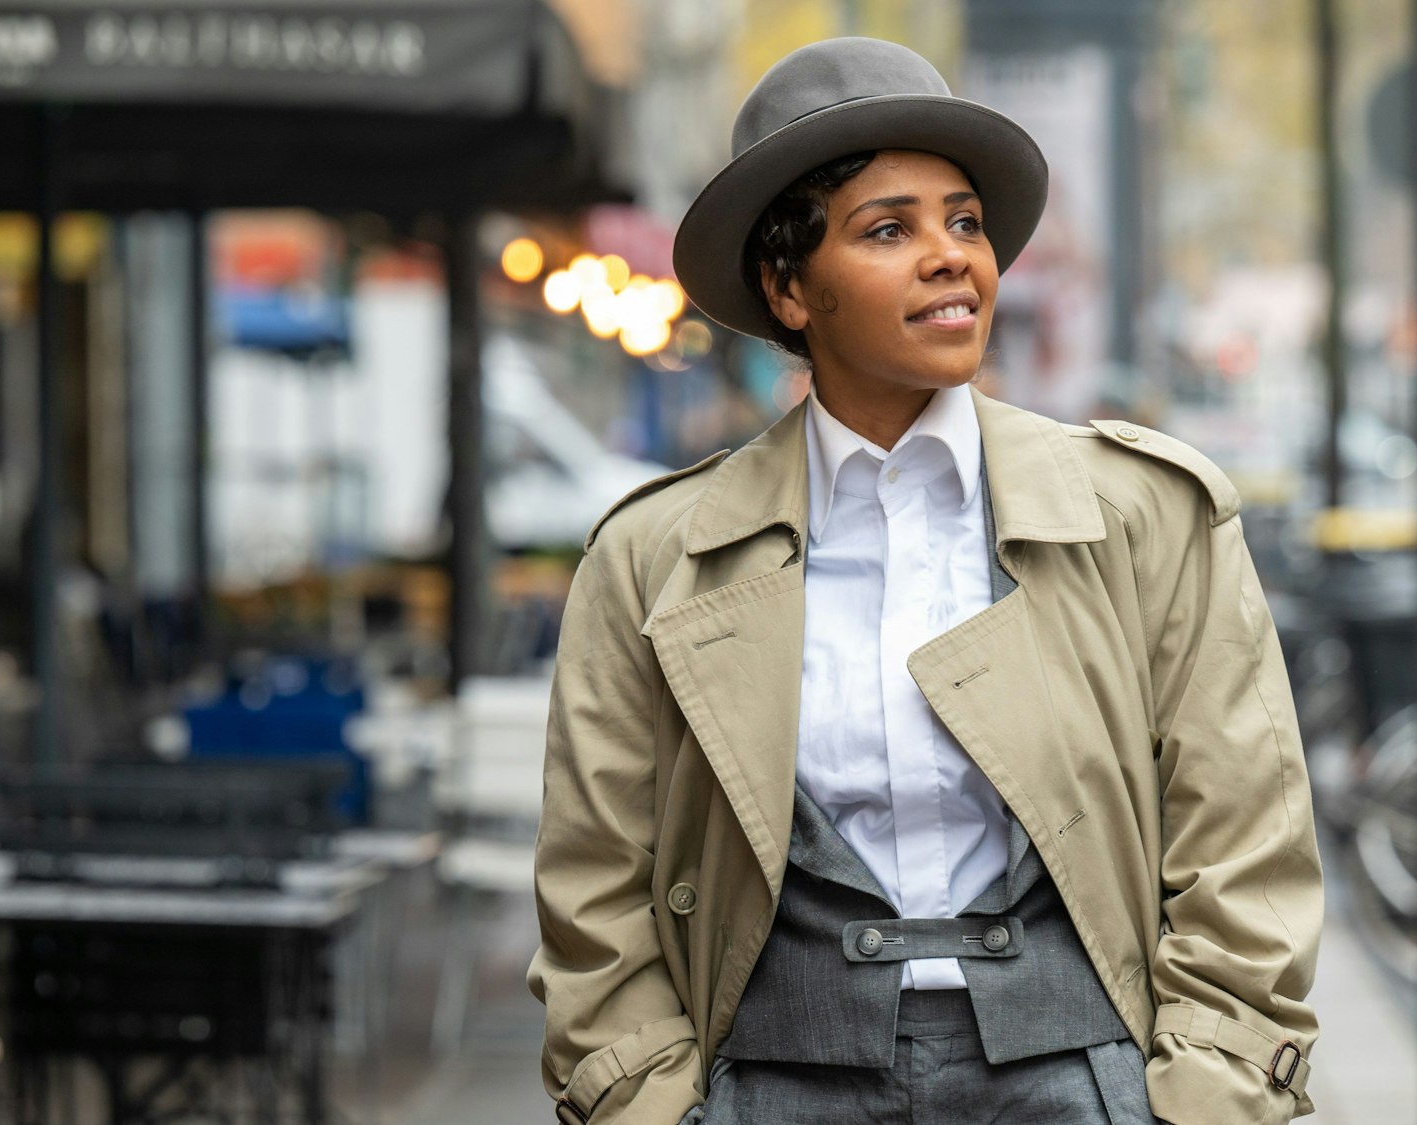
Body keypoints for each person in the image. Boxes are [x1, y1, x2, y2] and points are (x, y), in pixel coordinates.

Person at [530, 37, 1321, 1125]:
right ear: (787, 287)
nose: (952, 256)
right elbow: (593, 886)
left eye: (963, 222)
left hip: (1086, 1083)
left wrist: (1202, 1095)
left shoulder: (1143, 515)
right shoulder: (652, 559)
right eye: (887, 230)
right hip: (771, 1083)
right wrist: (656, 1105)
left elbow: (1244, 836)